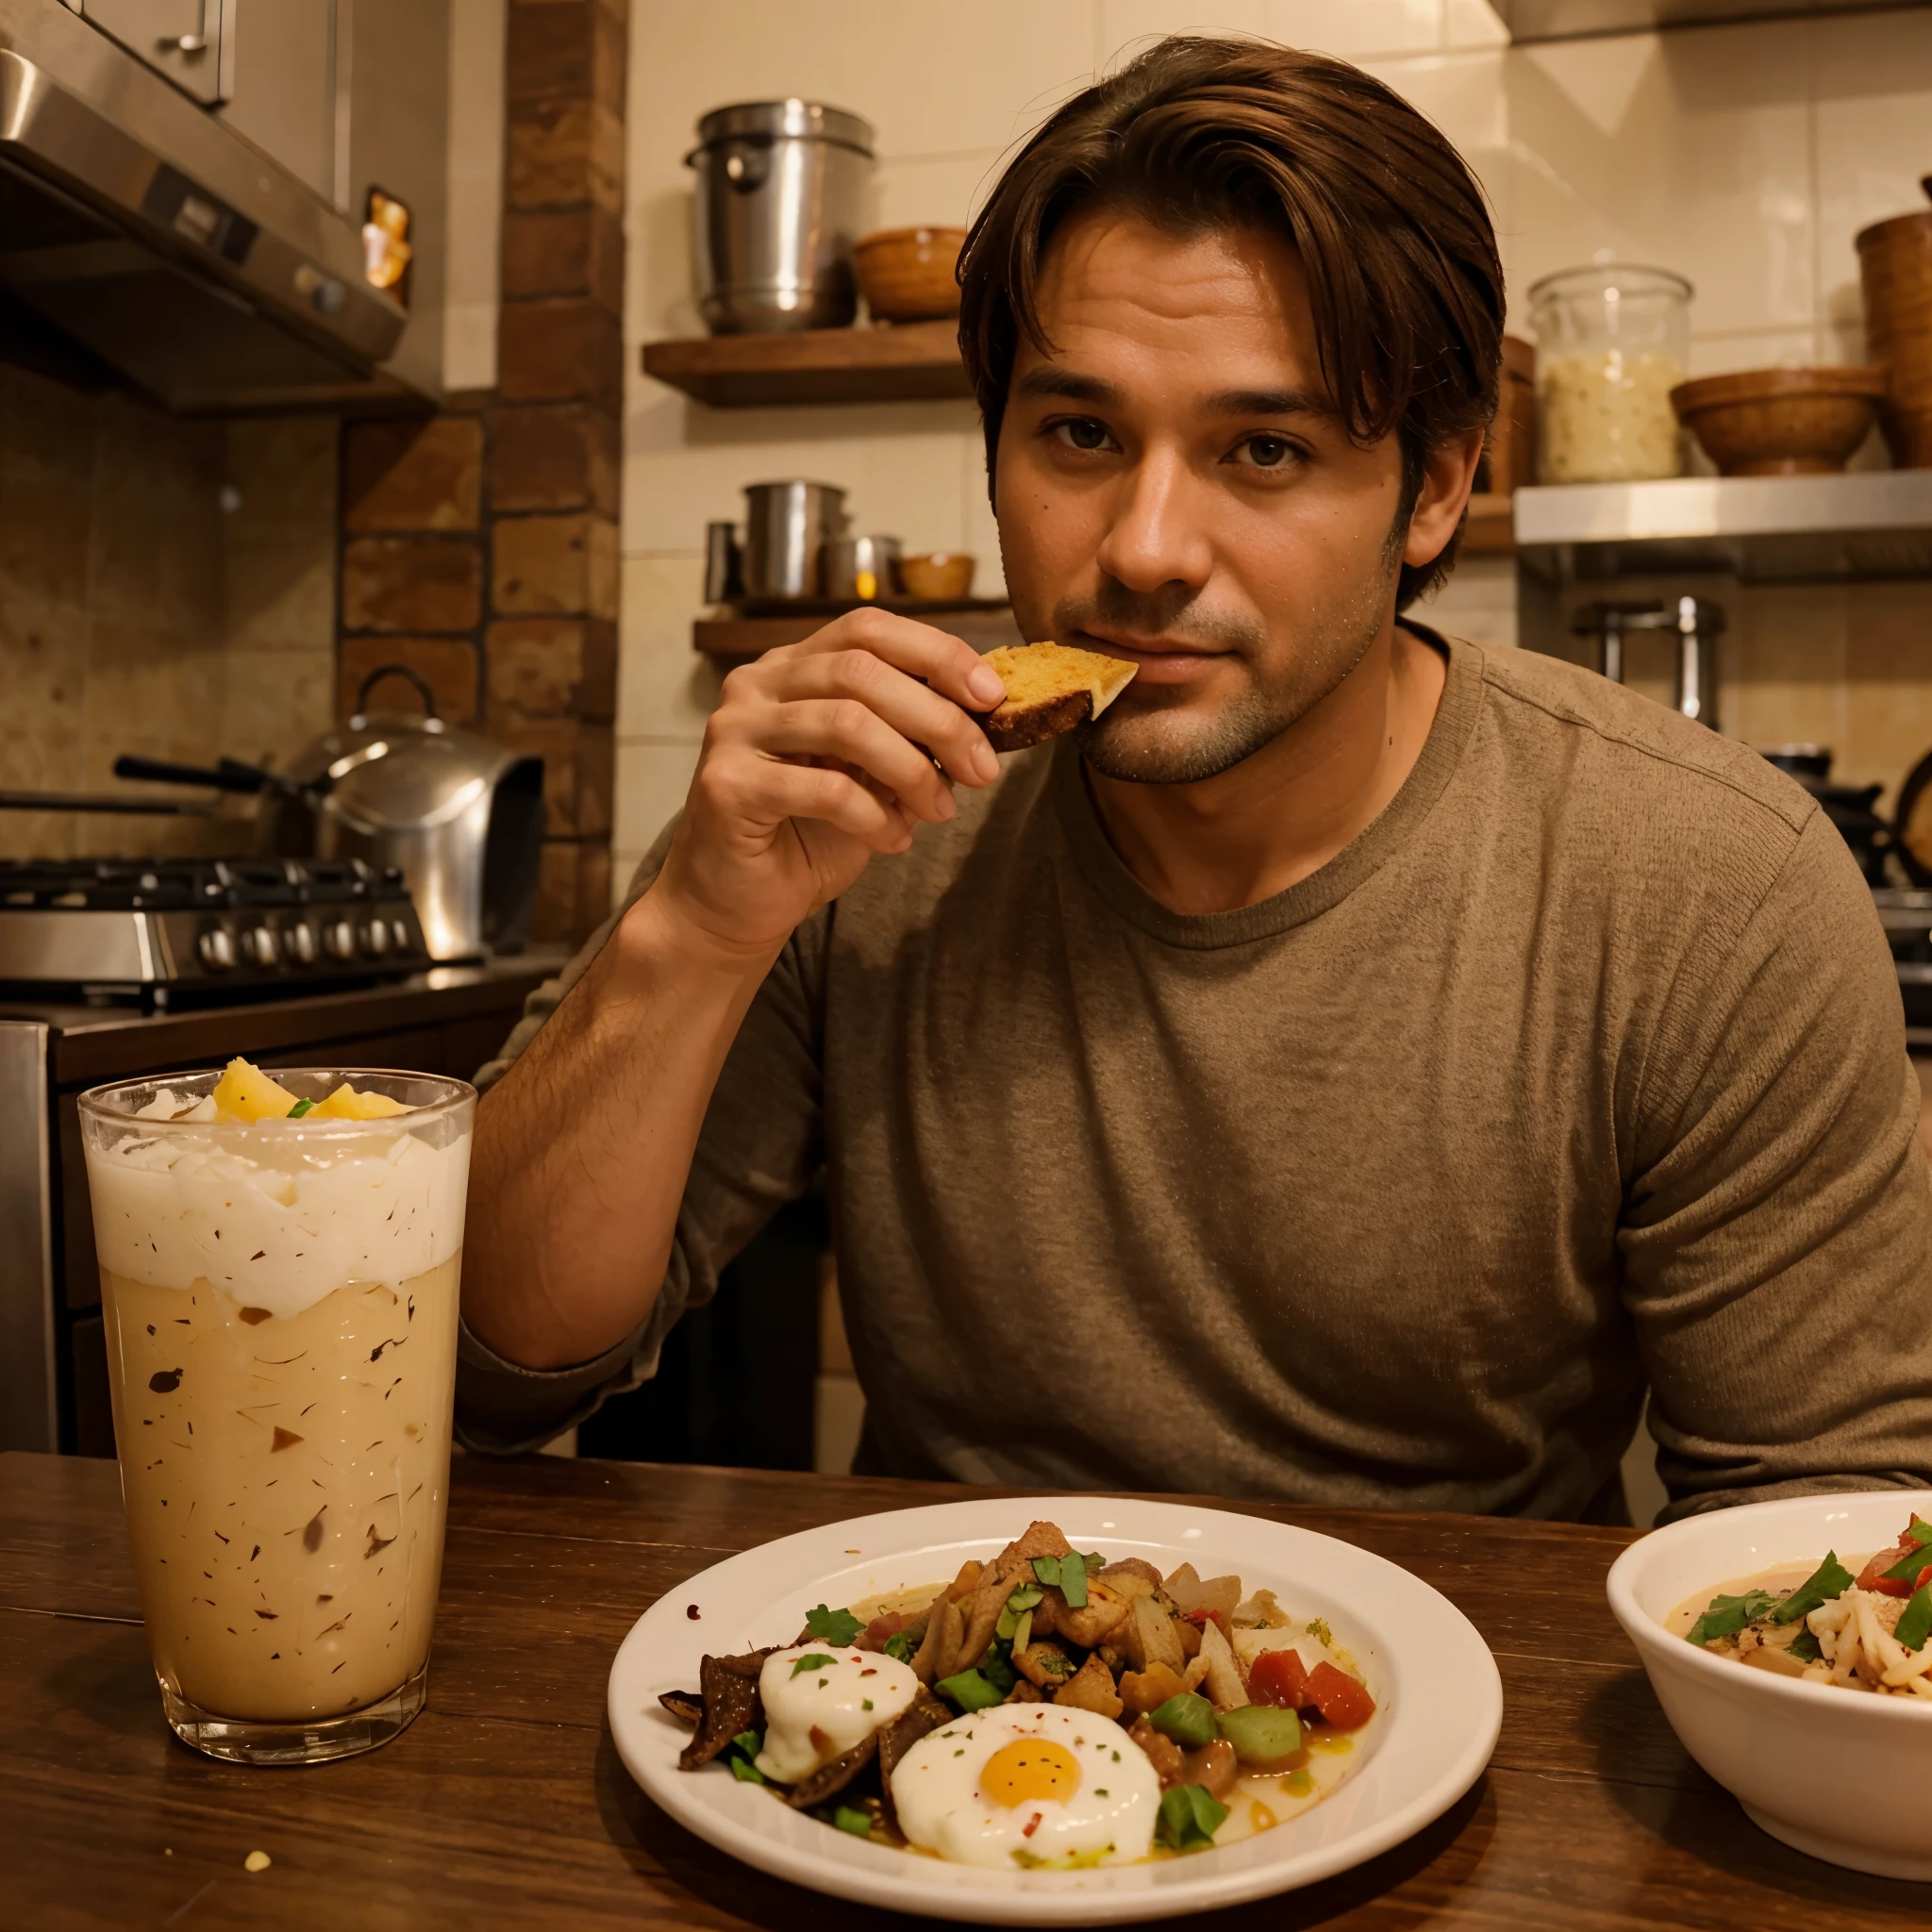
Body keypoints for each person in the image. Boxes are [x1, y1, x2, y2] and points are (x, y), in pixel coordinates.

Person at [455, 36, 1932, 1522]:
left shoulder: (1707, 886)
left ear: (1432, 489)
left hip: (1467, 1709)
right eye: (1082, 433)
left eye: (1267, 449)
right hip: (926, 1702)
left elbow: (1832, 1526)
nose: (1147, 548)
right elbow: (496, 1371)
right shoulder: (853, 819)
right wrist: (697, 935)